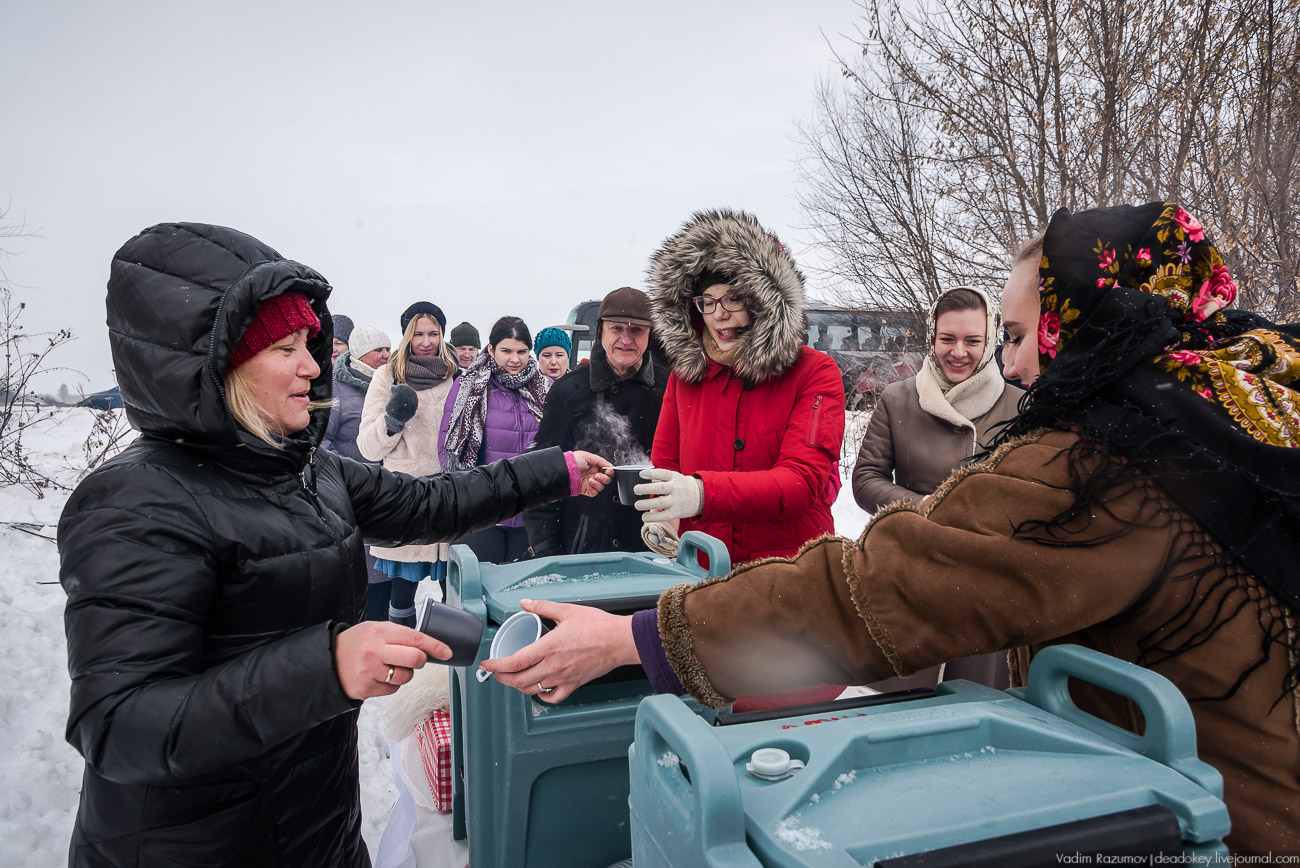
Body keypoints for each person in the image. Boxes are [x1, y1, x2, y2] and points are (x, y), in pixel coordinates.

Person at [479, 202, 1300, 855]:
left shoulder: (1108, 457)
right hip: (1224, 779)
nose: (1013, 366)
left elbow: (875, 576)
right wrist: (669, 511)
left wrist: (642, 634)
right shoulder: (1248, 403)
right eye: (707, 303)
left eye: (1017, 337)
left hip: (1229, 817)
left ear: (1097, 320)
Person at [59, 222, 613, 866]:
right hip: (194, 847)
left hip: (317, 825)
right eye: (283, 348)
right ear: (216, 365)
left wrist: (552, 471)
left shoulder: (304, 469)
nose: (312, 365)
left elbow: (428, 505)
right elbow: (119, 723)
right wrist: (326, 667)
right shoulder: (137, 502)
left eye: (308, 342)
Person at [633, 209, 848, 712]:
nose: (719, 315)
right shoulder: (685, 378)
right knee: (704, 716)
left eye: (733, 298)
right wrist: (664, 516)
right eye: (706, 302)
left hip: (787, 584)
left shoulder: (814, 373)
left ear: (765, 297)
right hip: (703, 582)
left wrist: (700, 494)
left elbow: (804, 482)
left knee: (784, 722)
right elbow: (666, 463)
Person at [852, 285, 1023, 689]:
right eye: (947, 339)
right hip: (910, 566)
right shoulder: (898, 398)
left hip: (987, 575)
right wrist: (924, 505)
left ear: (990, 340)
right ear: (932, 338)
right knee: (902, 696)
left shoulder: (1018, 406)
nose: (958, 352)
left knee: (975, 698)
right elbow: (866, 478)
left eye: (972, 341)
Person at [524, 287, 666, 557]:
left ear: (650, 335)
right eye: (616, 329)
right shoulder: (568, 392)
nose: (626, 339)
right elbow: (542, 476)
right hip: (583, 546)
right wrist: (546, 551)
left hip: (653, 547)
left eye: (637, 330)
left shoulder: (668, 389)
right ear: (600, 332)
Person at [358, 302, 458, 626]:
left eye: (433, 333)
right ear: (406, 336)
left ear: (442, 335)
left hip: (450, 496)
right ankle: (401, 650)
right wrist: (392, 420)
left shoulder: (456, 375)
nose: (426, 341)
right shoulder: (387, 375)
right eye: (418, 334)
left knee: (454, 590)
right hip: (406, 496)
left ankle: (451, 653)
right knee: (401, 592)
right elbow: (367, 448)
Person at [439, 316, 550, 563]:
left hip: (532, 511)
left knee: (524, 584)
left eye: (522, 351)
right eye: (506, 351)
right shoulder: (469, 386)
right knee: (482, 582)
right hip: (483, 511)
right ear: (491, 349)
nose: (515, 359)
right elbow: (449, 446)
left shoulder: (546, 388)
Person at [321, 322, 395, 621]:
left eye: (388, 349)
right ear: (361, 353)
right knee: (363, 580)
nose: (386, 355)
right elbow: (322, 442)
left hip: (388, 493)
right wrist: (354, 476)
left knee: (390, 578)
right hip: (352, 497)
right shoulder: (336, 388)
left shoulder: (391, 385)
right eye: (378, 349)